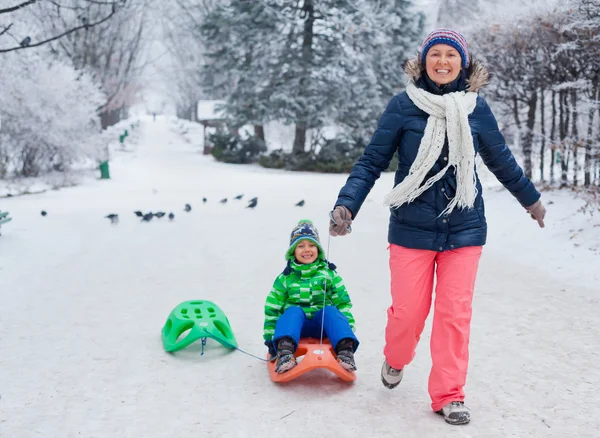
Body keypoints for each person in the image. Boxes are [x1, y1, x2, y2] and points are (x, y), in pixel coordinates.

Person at [329, 28, 546, 425]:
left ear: (462, 63)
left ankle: (450, 394)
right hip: (411, 228)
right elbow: (371, 161)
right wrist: (347, 205)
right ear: (424, 60)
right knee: (408, 314)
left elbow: (502, 160)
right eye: (436, 54)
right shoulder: (402, 106)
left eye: (450, 55)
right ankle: (396, 358)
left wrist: (530, 200)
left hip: (464, 228)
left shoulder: (477, 109)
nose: (443, 61)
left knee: (454, 314)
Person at [263, 220, 359, 373]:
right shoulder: (285, 278)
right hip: (294, 328)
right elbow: (272, 307)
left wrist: (348, 328)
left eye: (311, 245)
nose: (307, 250)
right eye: (300, 246)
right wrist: (269, 335)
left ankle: (345, 352)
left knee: (331, 311)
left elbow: (342, 302)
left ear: (318, 249)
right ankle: (285, 353)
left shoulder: (329, 274)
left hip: (322, 327)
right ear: (293, 251)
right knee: (293, 312)